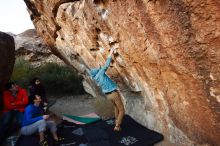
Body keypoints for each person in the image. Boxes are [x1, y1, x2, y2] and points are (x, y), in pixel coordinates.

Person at [89, 48, 125, 131]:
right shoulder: (100, 73)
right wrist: (111, 52)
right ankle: (117, 126)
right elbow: (106, 65)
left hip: (108, 96)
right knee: (122, 110)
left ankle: (116, 121)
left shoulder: (96, 77)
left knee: (116, 107)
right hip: (114, 94)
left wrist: (99, 68)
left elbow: (98, 70)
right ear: (97, 72)